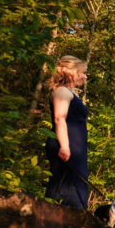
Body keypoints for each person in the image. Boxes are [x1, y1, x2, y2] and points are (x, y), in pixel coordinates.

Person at [45, 56, 89, 209]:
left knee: (77, 185)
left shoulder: (71, 92)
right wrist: (64, 146)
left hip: (75, 148)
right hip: (66, 146)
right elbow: (59, 118)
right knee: (66, 189)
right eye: (82, 72)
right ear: (72, 72)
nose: (85, 76)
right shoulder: (62, 91)